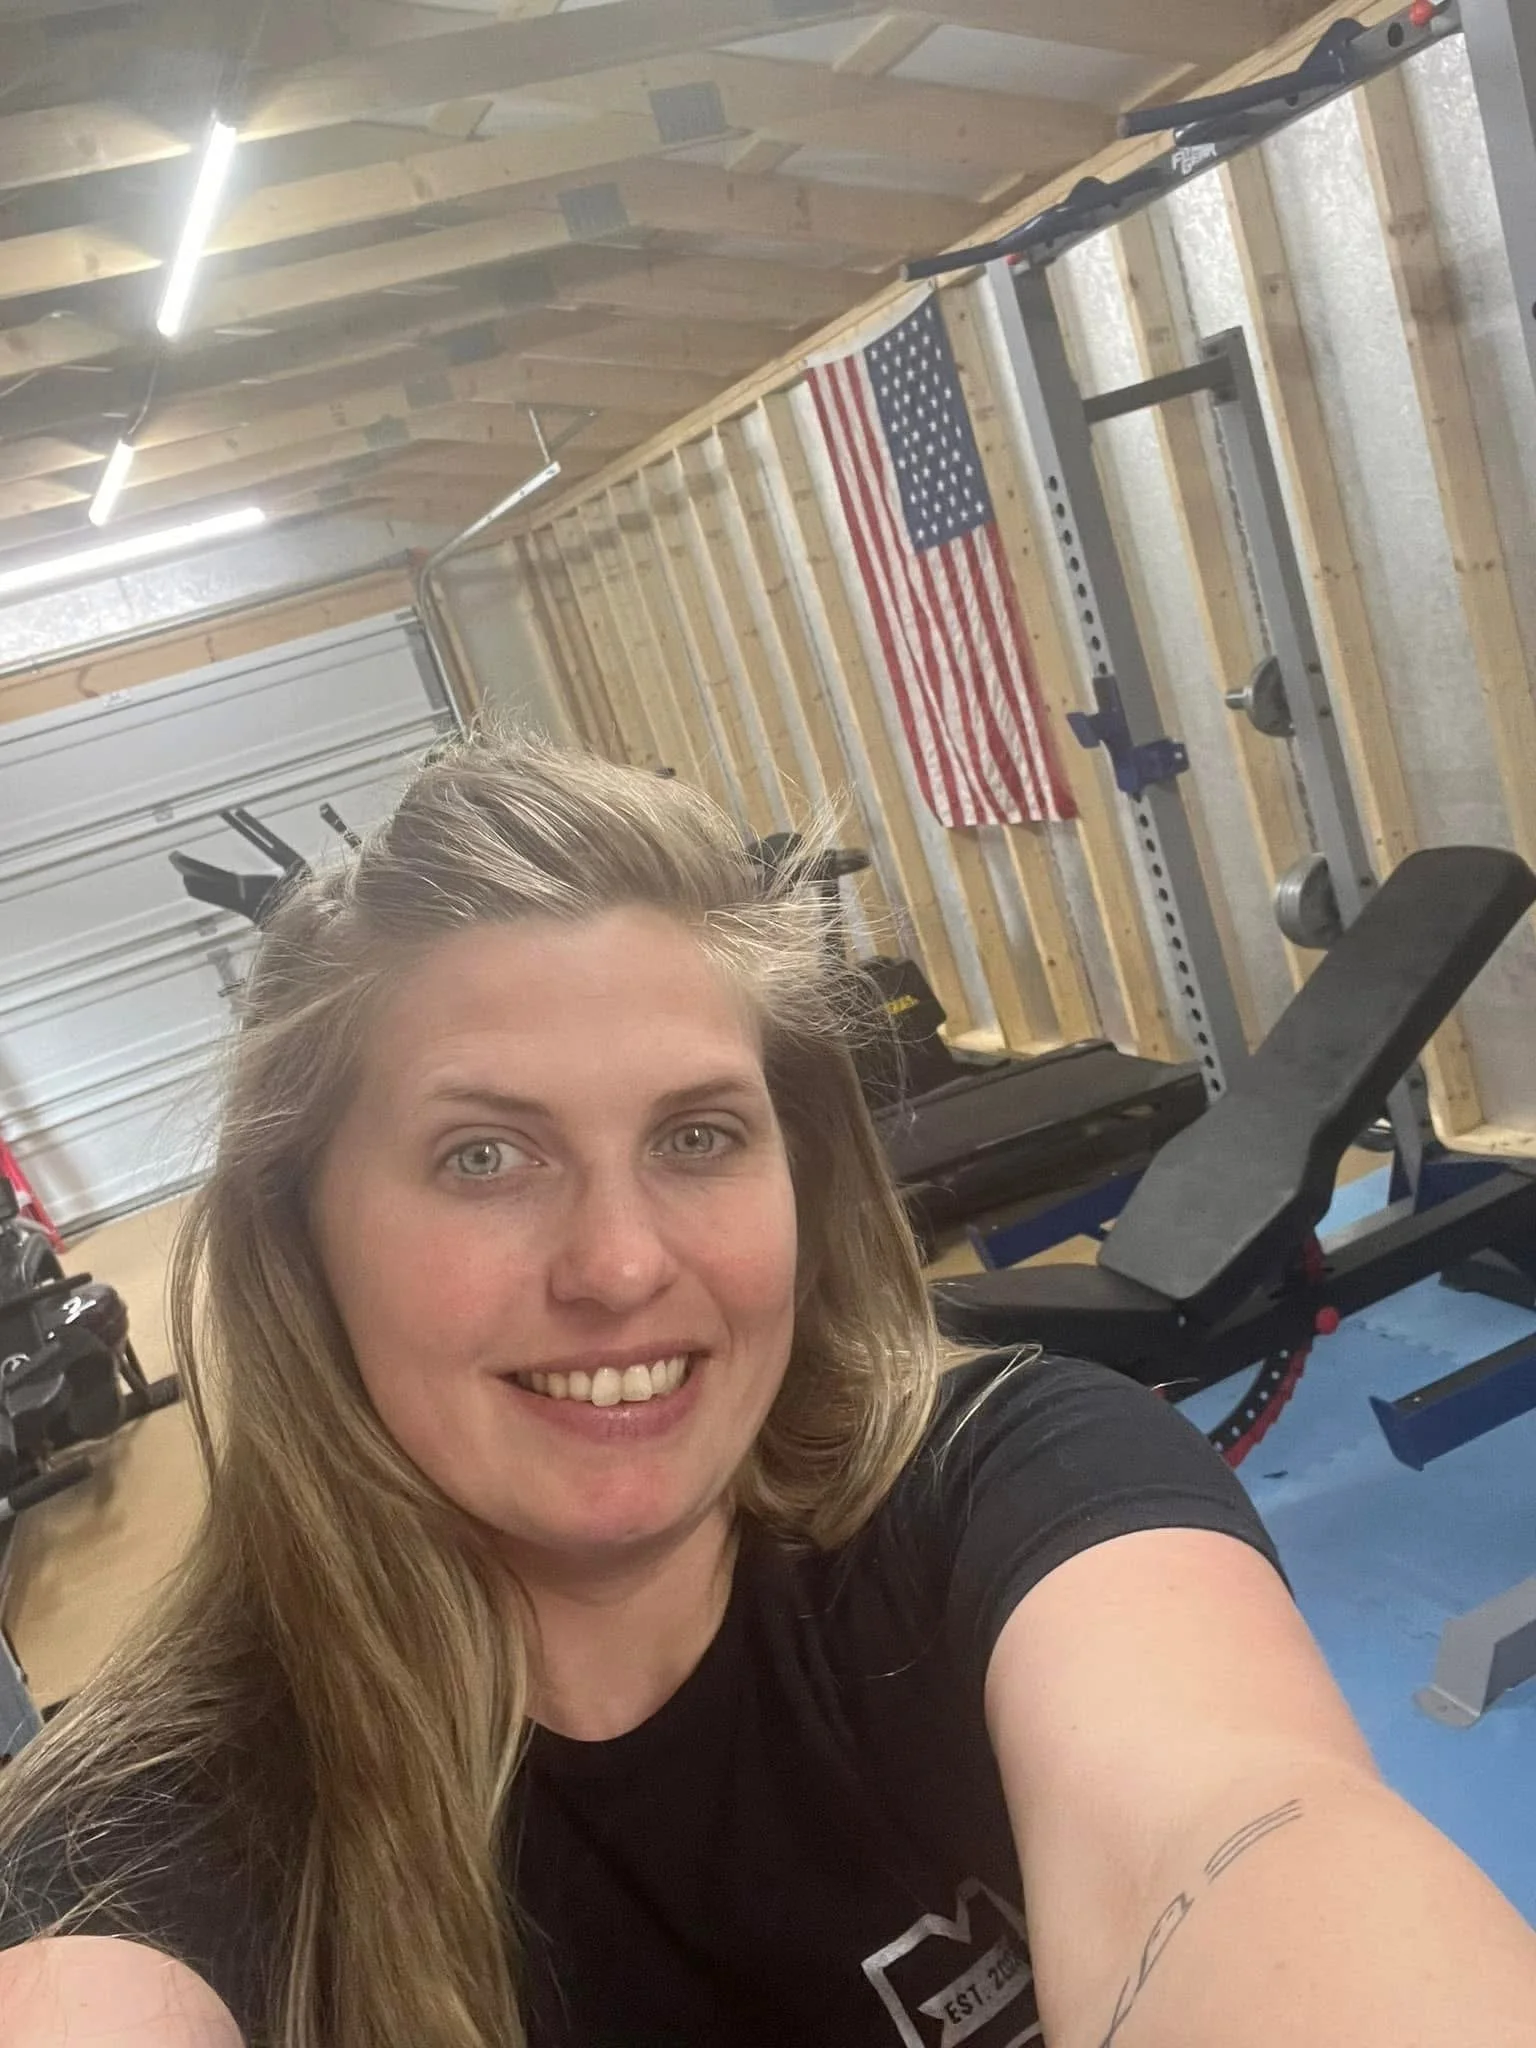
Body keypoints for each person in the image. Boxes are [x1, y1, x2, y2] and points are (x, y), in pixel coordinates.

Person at [0, 736, 1532, 2048]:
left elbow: (1229, 1830)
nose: (619, 1265)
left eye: (697, 1137)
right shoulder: (147, 1838)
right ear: (301, 1240)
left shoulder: (1010, 1482)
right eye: (484, 1155)